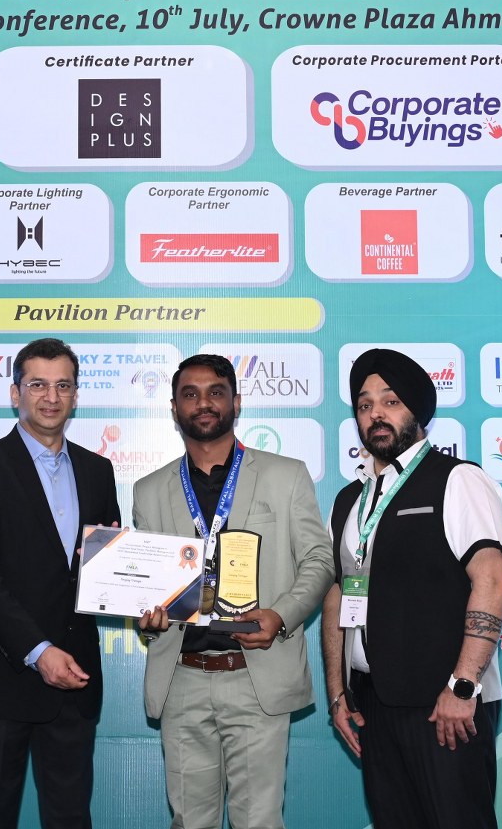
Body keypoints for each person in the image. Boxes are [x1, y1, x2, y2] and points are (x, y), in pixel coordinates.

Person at [134, 354, 333, 829]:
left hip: (255, 674)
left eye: (216, 392)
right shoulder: (149, 490)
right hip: (181, 677)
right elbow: (147, 585)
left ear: (236, 402)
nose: (203, 403)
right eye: (190, 394)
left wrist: (281, 615)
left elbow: (320, 560)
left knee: (259, 821)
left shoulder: (286, 474)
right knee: (190, 822)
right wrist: (144, 615)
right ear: (174, 408)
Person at [321, 349, 502, 829]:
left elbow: (492, 580)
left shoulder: (458, 480)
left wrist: (463, 687)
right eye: (365, 405)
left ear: (418, 411)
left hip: (445, 705)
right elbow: (338, 594)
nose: (376, 414)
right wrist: (338, 693)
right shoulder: (349, 499)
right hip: (372, 703)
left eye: (391, 401)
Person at [0, 337, 121, 828]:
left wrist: (138, 591)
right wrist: (39, 651)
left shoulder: (98, 470)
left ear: (76, 395)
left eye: (63, 385)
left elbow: (106, 566)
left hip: (75, 680)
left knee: (70, 818)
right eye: (38, 384)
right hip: (3, 677)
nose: (51, 397)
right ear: (15, 393)